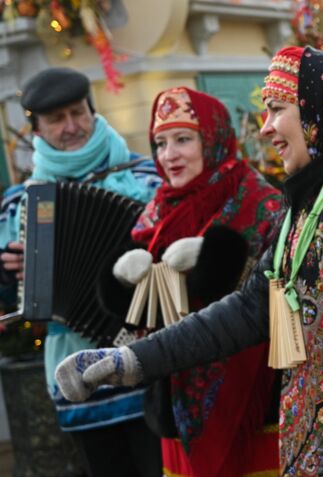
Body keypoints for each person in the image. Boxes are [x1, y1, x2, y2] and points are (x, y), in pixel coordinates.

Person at [55, 47, 323, 476]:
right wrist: (133, 361)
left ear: (316, 111)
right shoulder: (319, 197)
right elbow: (253, 307)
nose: (265, 129)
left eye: (277, 110)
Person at [99, 86, 284, 477]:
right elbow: (139, 317)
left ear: (213, 140)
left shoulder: (262, 201)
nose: (169, 155)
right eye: (160, 143)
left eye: (183, 139)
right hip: (176, 406)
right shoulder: (156, 212)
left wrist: (212, 260)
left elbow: (268, 299)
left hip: (257, 405)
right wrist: (123, 279)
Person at [0, 67, 163, 476]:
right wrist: (9, 274)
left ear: (93, 111)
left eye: (78, 113)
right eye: (56, 119)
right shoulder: (19, 203)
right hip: (76, 376)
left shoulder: (145, 176)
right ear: (36, 130)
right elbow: (9, 302)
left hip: (151, 361)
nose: (71, 127)